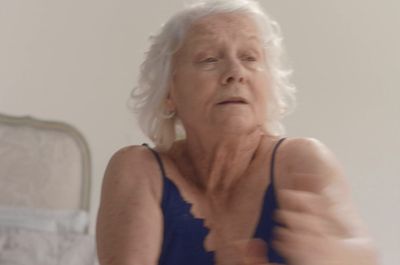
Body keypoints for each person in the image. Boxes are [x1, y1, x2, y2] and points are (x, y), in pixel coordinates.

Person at [96, 0, 380, 264]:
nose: (235, 72)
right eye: (209, 59)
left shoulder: (302, 161)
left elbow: (361, 251)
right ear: (169, 92)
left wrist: (341, 257)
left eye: (249, 57)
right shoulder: (137, 170)